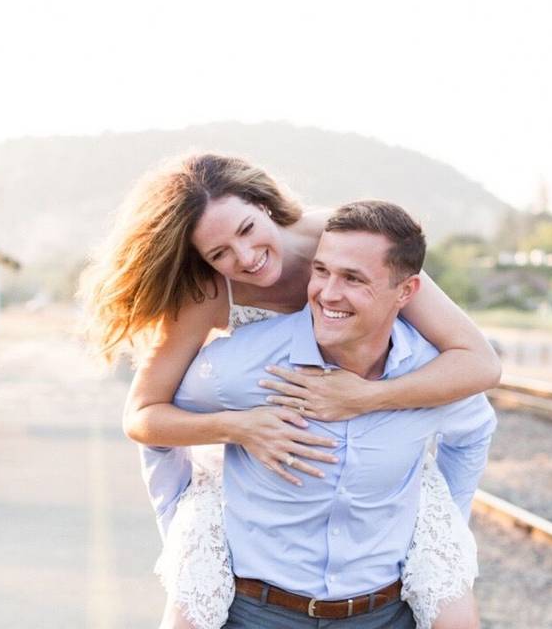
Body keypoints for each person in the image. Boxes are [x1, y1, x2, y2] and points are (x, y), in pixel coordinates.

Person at [83, 155, 501, 628]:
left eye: (246, 230)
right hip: (266, 429)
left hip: (377, 429)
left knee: (449, 587)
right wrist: (237, 427)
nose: (244, 258)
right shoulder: (210, 293)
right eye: (219, 253)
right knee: (194, 596)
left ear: (264, 205)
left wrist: (362, 398)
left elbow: (479, 364)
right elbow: (142, 415)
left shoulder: (343, 243)